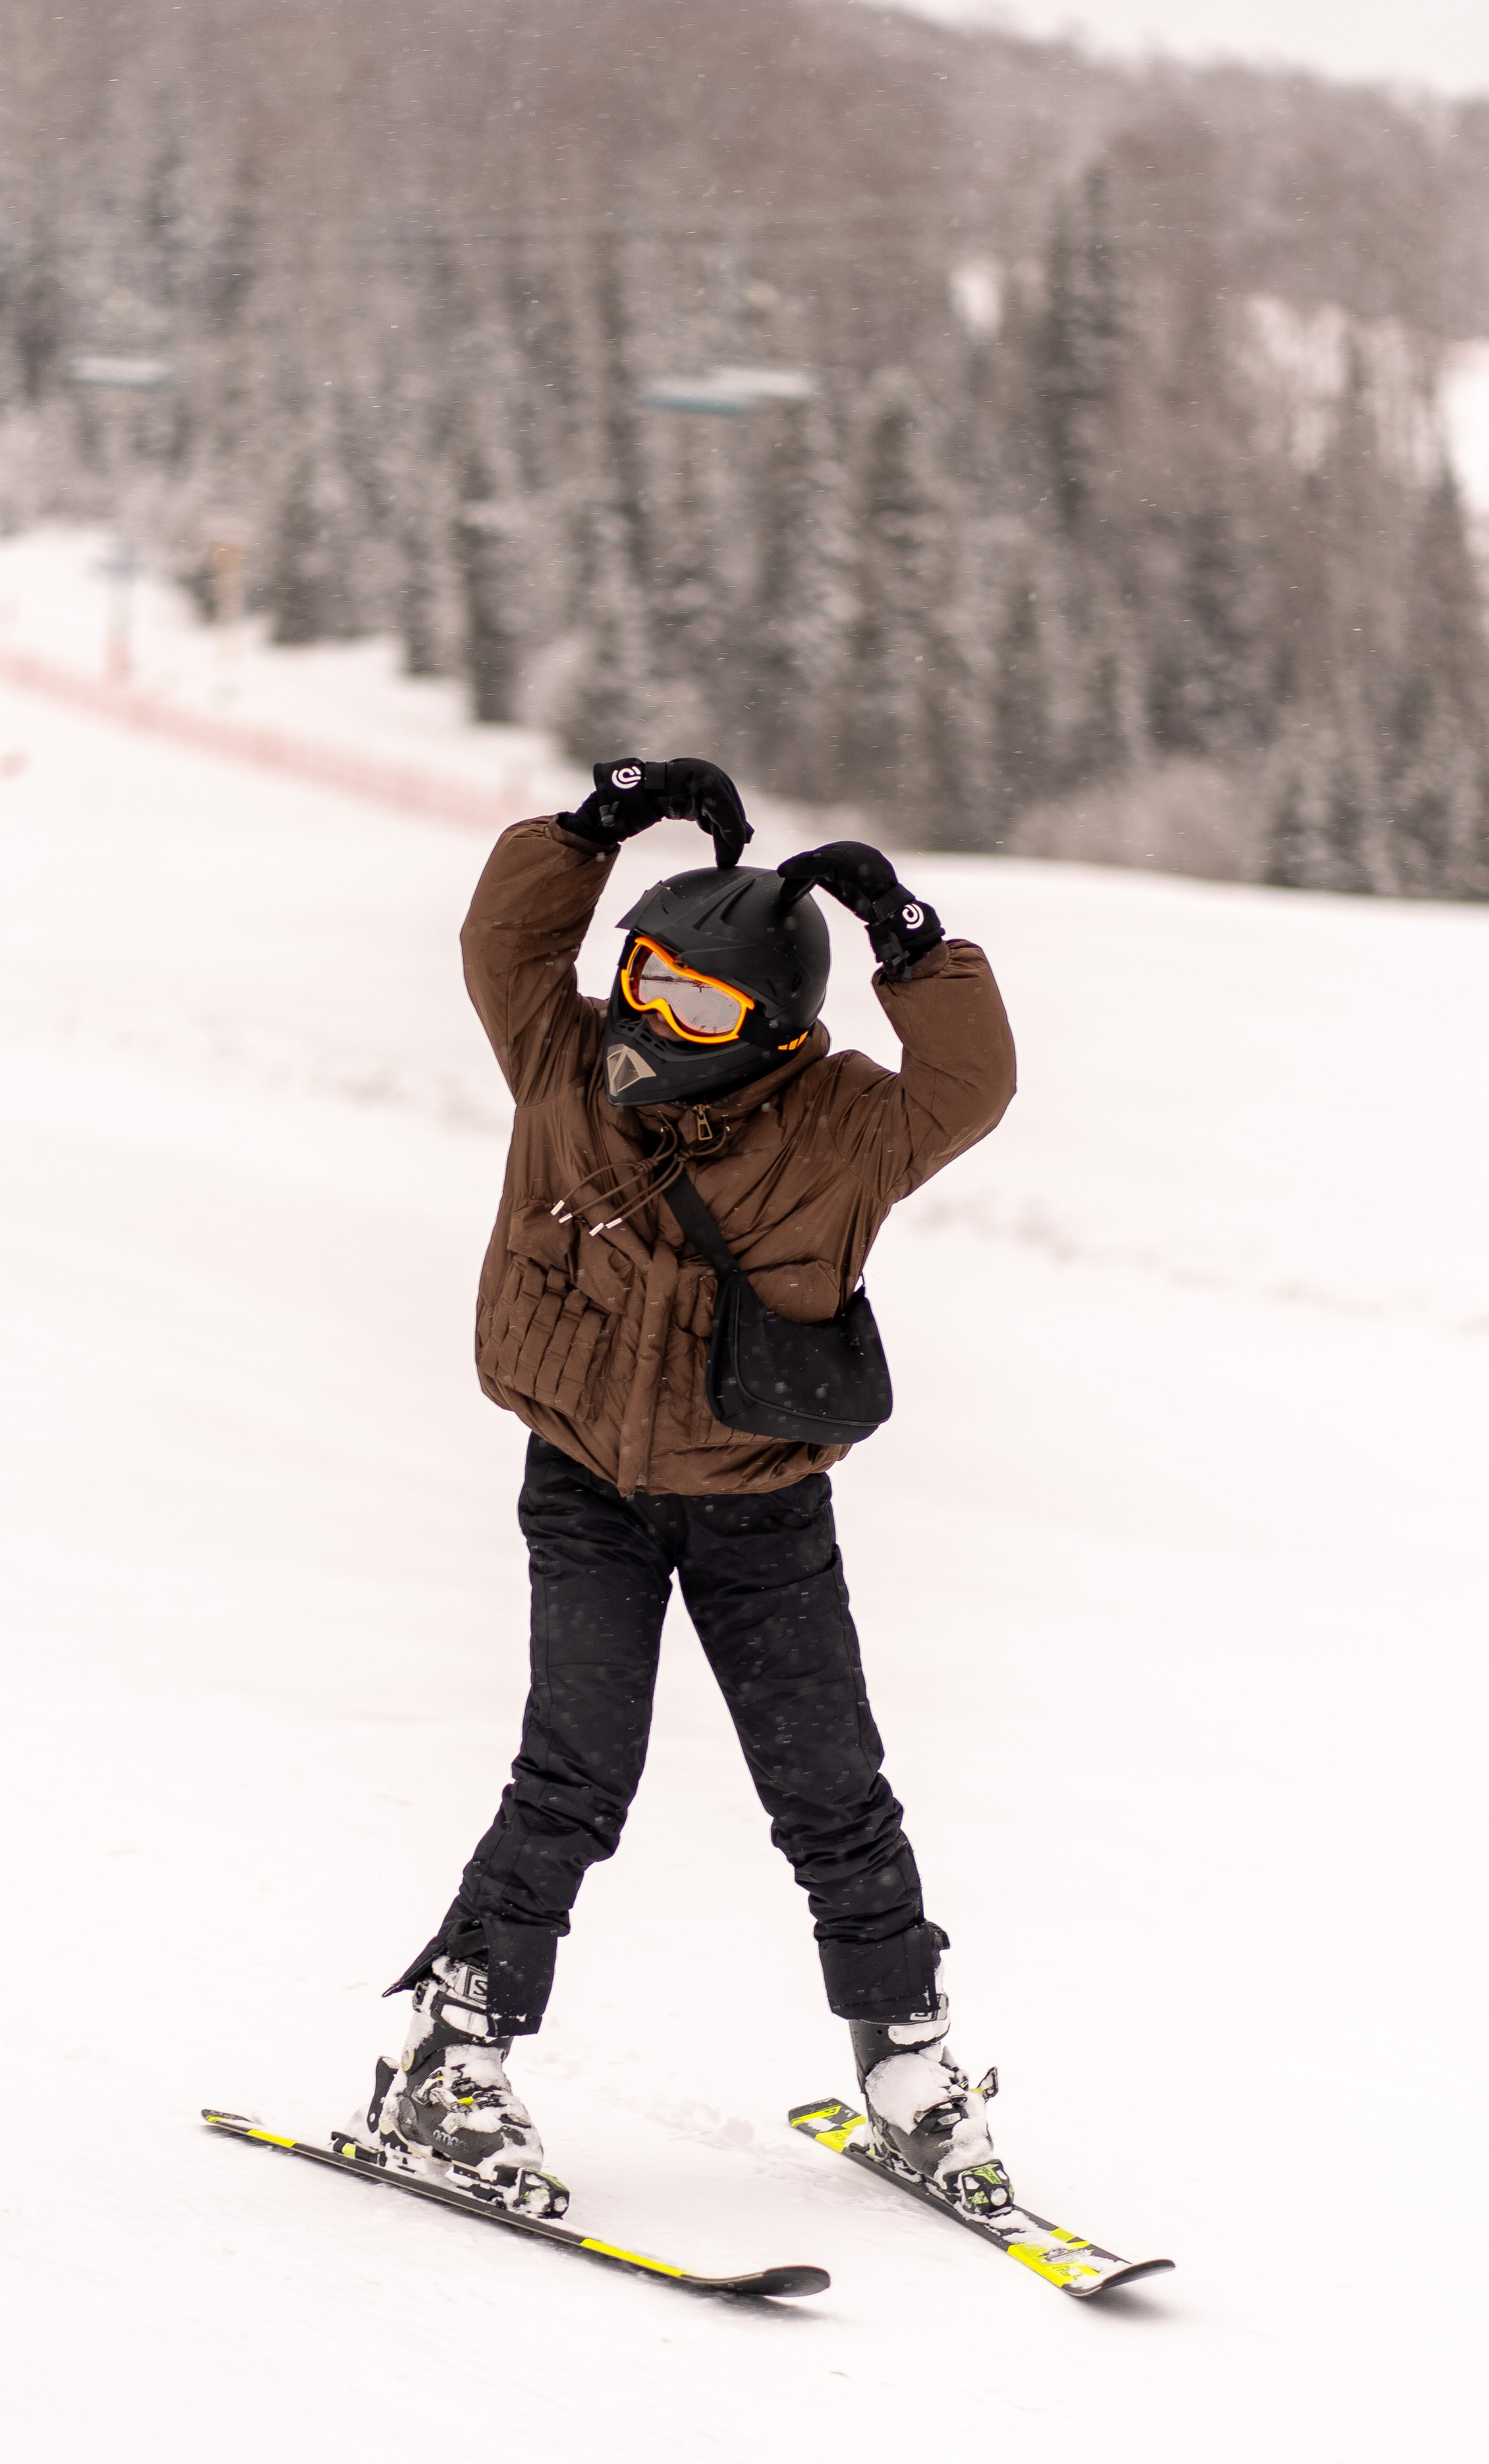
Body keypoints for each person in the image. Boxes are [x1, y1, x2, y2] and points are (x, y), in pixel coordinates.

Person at [345, 757, 1016, 2223]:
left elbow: (969, 1086)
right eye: (644, 978)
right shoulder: (562, 1060)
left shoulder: (847, 1125)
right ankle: (449, 2059)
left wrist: (911, 944)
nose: (653, 1020)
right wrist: (592, 826)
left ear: (777, 1025)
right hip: (585, 1486)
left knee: (830, 1791)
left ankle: (906, 2063)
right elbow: (503, 942)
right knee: (572, 1776)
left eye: (700, 1006)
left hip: (760, 1506)